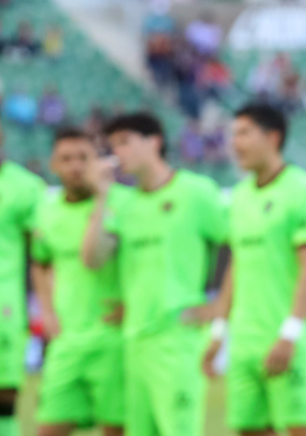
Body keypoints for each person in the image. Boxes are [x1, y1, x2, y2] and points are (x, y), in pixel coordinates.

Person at [82, 112, 228, 436]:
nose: (117, 152)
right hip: (134, 339)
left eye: (124, 141)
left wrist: (219, 308)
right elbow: (93, 258)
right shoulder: (123, 203)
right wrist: (102, 195)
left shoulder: (195, 192)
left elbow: (237, 246)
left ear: (154, 142)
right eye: (112, 144)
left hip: (177, 339)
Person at [201, 104, 306, 436]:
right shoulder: (239, 196)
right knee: (250, 430)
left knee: (305, 429)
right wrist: (219, 330)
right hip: (244, 342)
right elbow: (236, 266)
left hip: (288, 339)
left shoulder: (304, 191)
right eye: (233, 134)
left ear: (273, 137)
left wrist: (289, 334)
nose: (235, 143)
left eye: (244, 133)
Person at [31, 127, 126, 436]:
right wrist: (47, 311)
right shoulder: (45, 211)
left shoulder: (123, 204)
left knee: (115, 429)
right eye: (66, 159)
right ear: (53, 165)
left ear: (99, 162)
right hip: (67, 341)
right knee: (49, 427)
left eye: (84, 158)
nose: (75, 166)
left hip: (113, 339)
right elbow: (40, 261)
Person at [0, 100, 47, 436]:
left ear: (1, 134)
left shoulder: (26, 188)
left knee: (1, 409)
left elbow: (44, 255)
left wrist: (48, 309)